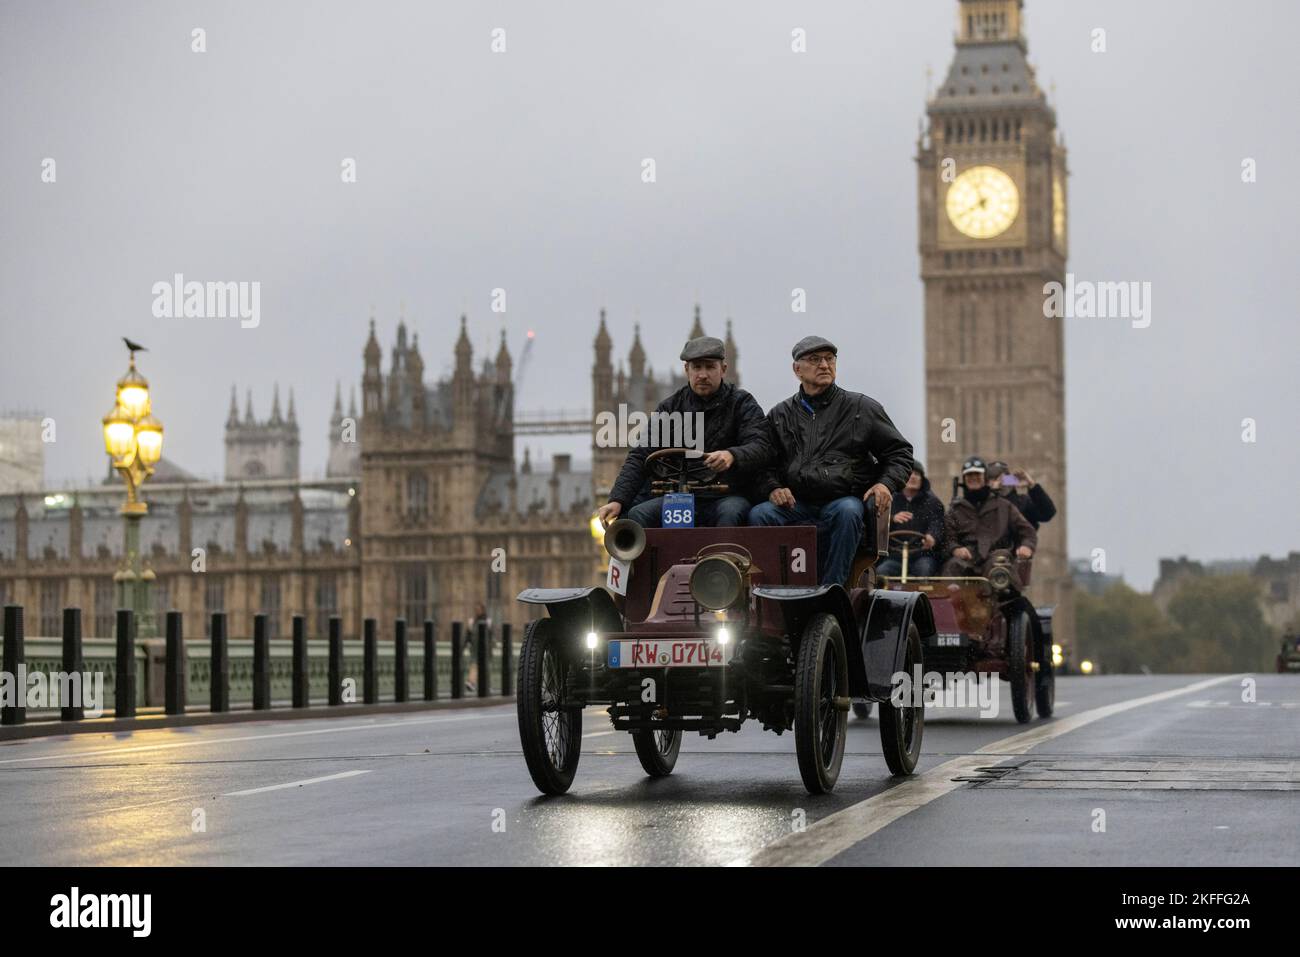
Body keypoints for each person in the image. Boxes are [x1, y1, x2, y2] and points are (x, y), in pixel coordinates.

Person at [748, 335, 913, 586]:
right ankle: (773, 592)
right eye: (815, 360)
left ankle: (833, 590)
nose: (824, 365)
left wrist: (885, 484)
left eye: (829, 359)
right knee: (761, 514)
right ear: (797, 370)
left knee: (848, 511)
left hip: (842, 500)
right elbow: (763, 464)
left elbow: (899, 453)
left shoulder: (862, 408)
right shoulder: (779, 415)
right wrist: (772, 488)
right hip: (797, 504)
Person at [596, 336, 769, 529]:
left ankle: (720, 558)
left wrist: (732, 455)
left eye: (710, 367)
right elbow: (639, 455)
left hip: (725, 496)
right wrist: (617, 499)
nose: (703, 375)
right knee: (637, 515)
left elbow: (761, 445)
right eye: (697, 367)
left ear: (724, 369)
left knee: (730, 512)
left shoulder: (742, 403)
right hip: (678, 498)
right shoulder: (670, 408)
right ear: (687, 370)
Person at [941, 456, 1036, 577]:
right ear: (964, 480)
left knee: (998, 569)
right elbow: (947, 538)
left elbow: (1027, 531)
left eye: (978, 475)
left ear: (985, 479)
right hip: (968, 557)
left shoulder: (1004, 506)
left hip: (998, 557)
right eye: (969, 475)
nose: (973, 478)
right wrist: (955, 549)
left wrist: (1027, 546)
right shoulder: (955, 510)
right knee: (951, 567)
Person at [876, 461, 944, 577]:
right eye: (909, 473)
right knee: (882, 572)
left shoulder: (933, 502)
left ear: (922, 479)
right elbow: (877, 524)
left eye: (917, 474)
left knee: (925, 570)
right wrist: (891, 519)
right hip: (895, 556)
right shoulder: (890, 500)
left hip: (923, 555)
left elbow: (937, 523)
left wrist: (932, 536)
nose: (913, 477)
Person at [985, 460, 1057, 530]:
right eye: (992, 478)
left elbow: (1047, 513)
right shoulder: (982, 503)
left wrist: (1032, 486)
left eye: (1002, 478)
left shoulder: (1022, 502)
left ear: (1010, 479)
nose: (999, 482)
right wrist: (993, 491)